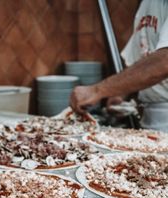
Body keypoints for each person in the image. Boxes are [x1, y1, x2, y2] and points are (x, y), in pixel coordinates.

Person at [70, 0, 168, 131]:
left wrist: (97, 90)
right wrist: (120, 93)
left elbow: (164, 62)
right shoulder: (147, 3)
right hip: (152, 122)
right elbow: (141, 58)